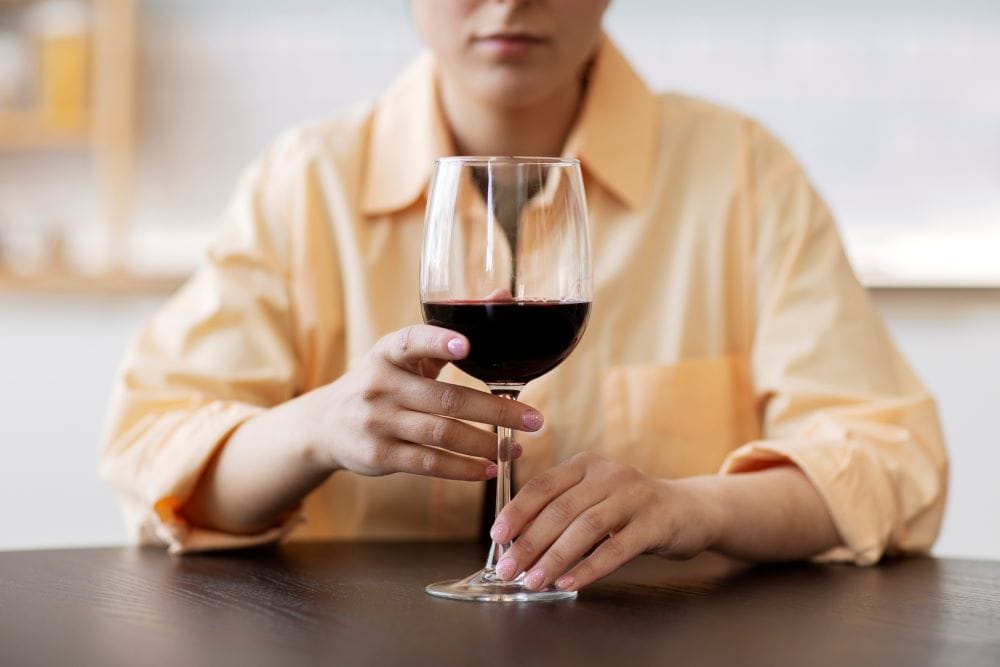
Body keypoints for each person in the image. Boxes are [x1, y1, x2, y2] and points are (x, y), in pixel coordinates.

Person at [100, 0, 947, 593]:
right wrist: (315, 428)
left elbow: (889, 458)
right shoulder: (303, 184)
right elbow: (151, 449)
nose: (510, 0)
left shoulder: (742, 176)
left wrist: (696, 506)